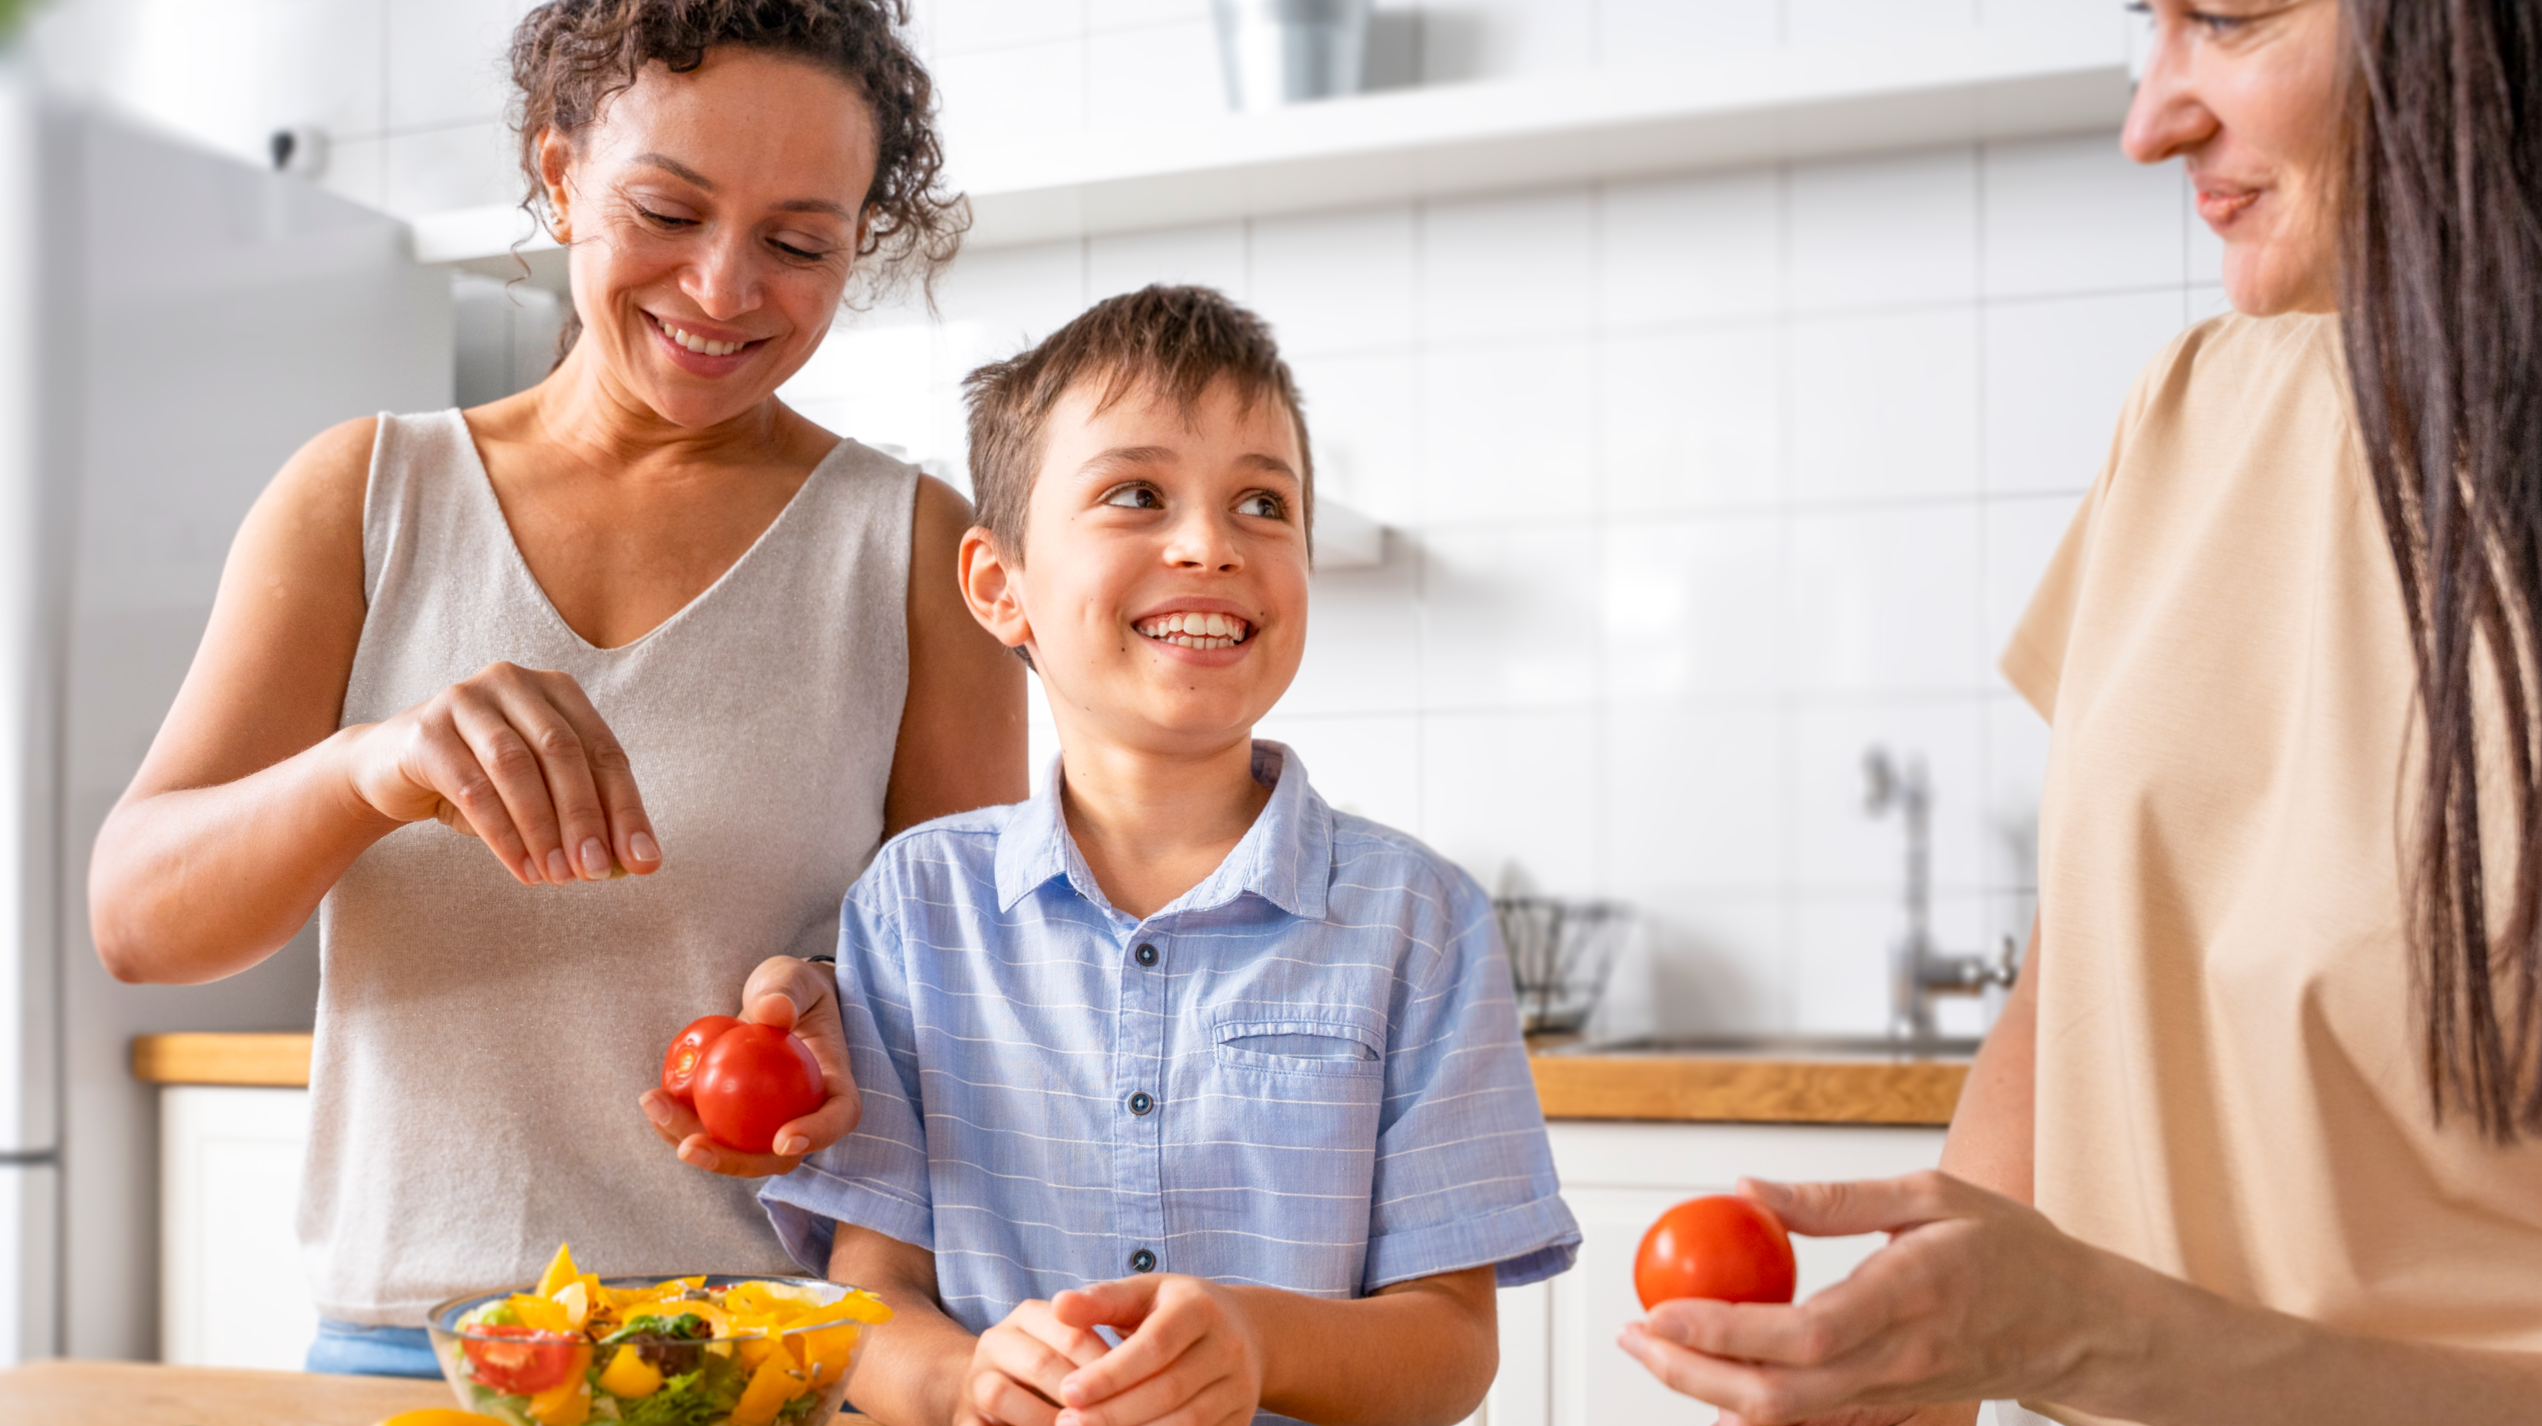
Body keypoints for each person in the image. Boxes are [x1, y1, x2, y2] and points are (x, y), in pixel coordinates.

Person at [1618, 2, 2542, 1422]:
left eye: (2228, 18)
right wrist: (1920, 1354)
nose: (2148, 120)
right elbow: (2067, 982)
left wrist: (2089, 1343)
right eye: (2147, 23)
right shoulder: (2182, 409)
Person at [85, 0, 1022, 1378]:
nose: (719, 287)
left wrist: (842, 1009)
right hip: (427, 1349)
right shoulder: (365, 496)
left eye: (796, 243)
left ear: (856, 245)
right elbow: (137, 918)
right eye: (666, 210)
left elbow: (977, 997)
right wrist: (370, 767)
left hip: (772, 1360)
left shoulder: (913, 551)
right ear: (560, 170)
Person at [748, 286, 1581, 1426]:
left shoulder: (1420, 919)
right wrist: (967, 1383)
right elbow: (870, 1300)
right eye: (1136, 494)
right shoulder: (915, 903)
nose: (1209, 544)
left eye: (1261, 503)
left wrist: (1255, 1341)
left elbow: (1449, 1349)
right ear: (1002, 587)